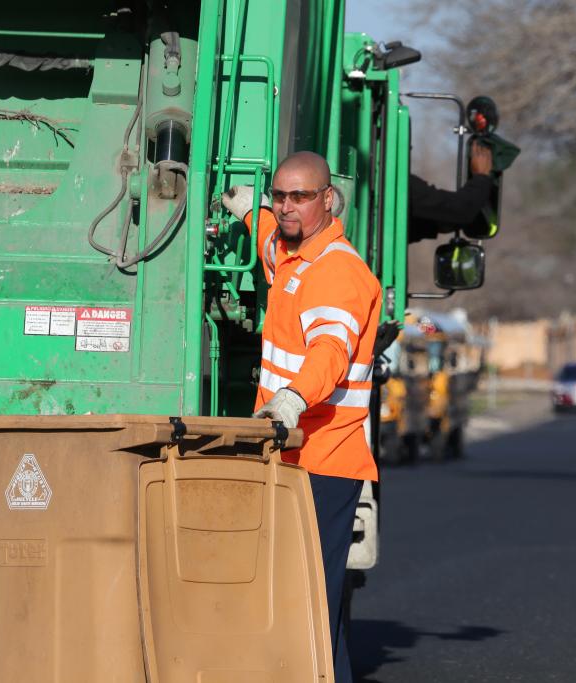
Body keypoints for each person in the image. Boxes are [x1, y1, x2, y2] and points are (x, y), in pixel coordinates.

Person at [221, 151, 381, 683]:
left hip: (325, 458)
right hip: (294, 454)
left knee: (308, 595)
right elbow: (271, 235)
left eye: (301, 196)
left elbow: (330, 353)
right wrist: (248, 209)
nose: (287, 207)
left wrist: (292, 398)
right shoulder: (290, 258)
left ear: (328, 199)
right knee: (308, 595)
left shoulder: (338, 274)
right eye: (280, 195)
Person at [409, 141, 493, 243]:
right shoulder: (396, 183)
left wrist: (444, 222)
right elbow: (460, 209)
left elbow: (438, 217)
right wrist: (481, 176)